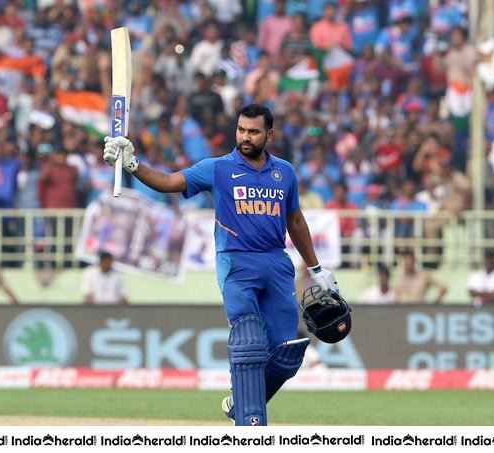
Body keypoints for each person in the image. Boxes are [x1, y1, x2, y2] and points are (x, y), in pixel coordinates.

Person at [102, 104, 338, 426]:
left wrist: (316, 269)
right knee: (249, 339)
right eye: (241, 129)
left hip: (276, 263)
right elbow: (170, 182)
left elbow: (295, 221)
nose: (245, 137)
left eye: (253, 131)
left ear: (269, 134)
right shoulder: (219, 168)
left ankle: (239, 403)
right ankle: (249, 426)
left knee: (288, 353)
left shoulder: (285, 172)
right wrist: (132, 164)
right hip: (237, 261)